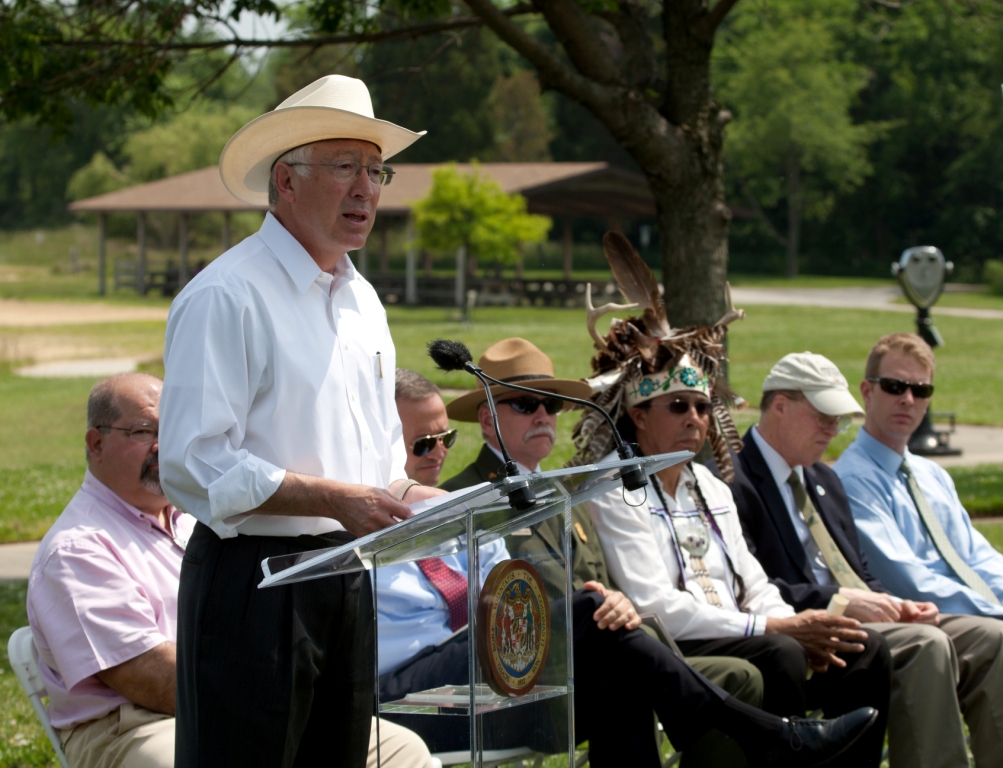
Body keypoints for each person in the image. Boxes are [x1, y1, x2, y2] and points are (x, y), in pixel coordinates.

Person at [386, 358, 878, 767]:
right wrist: (591, 608)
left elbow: (513, 604)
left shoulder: (477, 509)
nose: (440, 453)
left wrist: (608, 603)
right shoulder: (366, 524)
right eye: (422, 443)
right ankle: (764, 733)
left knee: (618, 664)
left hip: (515, 670)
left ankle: (764, 734)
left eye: (445, 438)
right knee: (601, 626)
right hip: (411, 694)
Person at [160, 75, 443, 768]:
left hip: (347, 575)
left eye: (376, 170)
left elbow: (375, 463)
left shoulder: (363, 301)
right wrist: (331, 498)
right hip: (253, 583)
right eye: (345, 167)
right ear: (286, 180)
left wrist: (425, 500)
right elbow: (192, 462)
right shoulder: (226, 295)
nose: (366, 190)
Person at [577, 234, 891, 767]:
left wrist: (786, 618)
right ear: (638, 415)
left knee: (865, 649)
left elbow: (753, 583)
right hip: (679, 644)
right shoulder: (615, 487)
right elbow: (657, 607)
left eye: (702, 406)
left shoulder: (712, 486)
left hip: (743, 629)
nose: (695, 418)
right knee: (783, 651)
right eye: (678, 405)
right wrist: (774, 627)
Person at [27, 373, 434, 768]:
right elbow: (145, 676)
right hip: (135, 727)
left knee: (401, 751)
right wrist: (274, 695)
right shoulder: (78, 548)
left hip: (246, 700)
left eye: (171, 431)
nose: (162, 446)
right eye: (143, 431)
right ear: (96, 443)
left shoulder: (195, 523)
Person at [729, 350, 1003, 768]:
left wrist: (896, 605)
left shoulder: (823, 478)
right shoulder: (733, 480)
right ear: (780, 407)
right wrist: (838, 600)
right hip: (803, 627)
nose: (832, 431)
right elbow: (748, 587)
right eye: (824, 417)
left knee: (991, 638)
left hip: (865, 618)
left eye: (838, 421)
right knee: (927, 645)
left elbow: (859, 570)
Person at [833, 332, 1003, 762]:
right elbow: (905, 577)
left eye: (920, 389)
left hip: (960, 617)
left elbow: (976, 557)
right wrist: (994, 608)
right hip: (918, 615)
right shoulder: (853, 479)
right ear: (867, 392)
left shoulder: (932, 476)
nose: (908, 399)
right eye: (895, 386)